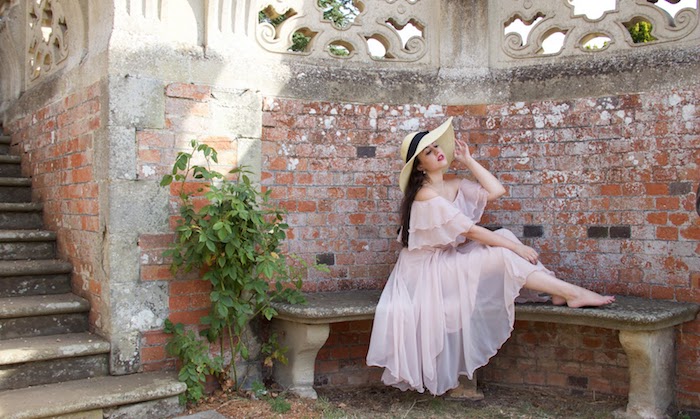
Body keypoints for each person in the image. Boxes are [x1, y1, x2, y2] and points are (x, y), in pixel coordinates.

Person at [366, 117, 615, 399]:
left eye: (437, 145)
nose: (438, 151)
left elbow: (496, 191)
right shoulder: (424, 195)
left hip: (447, 259)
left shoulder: (455, 183)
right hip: (424, 271)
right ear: (420, 165)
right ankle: (570, 292)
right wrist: (518, 250)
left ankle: (559, 290)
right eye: (428, 151)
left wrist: (469, 160)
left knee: (505, 236)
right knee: (506, 253)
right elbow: (471, 231)